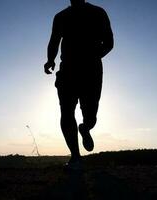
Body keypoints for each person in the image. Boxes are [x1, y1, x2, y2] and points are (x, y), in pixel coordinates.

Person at [44, 0, 114, 170]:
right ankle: (75, 156)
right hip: (68, 69)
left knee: (90, 115)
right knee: (66, 111)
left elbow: (109, 42)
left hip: (92, 71)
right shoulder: (61, 17)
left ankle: (85, 127)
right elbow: (54, 40)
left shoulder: (98, 13)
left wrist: (95, 57)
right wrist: (50, 60)